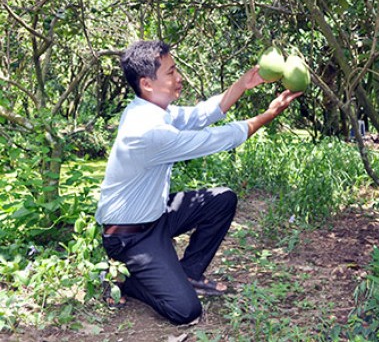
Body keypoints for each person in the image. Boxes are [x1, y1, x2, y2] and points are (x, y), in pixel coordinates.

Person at [95, 40, 302, 325]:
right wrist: (268, 115)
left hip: (155, 215)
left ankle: (189, 272)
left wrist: (243, 84)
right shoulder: (147, 130)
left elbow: (199, 116)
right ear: (147, 83)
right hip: (130, 237)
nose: (178, 78)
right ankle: (120, 276)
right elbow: (215, 139)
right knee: (185, 311)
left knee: (222, 199)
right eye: (170, 73)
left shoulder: (152, 108)